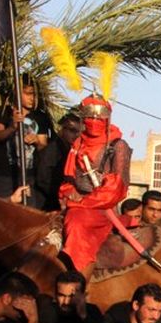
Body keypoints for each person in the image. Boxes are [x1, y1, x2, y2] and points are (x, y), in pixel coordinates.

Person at [57, 96, 131, 274]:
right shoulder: (78, 144)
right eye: (90, 118)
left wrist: (83, 203)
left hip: (102, 207)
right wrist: (68, 195)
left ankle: (77, 277)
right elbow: (69, 179)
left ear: (107, 119)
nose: (94, 122)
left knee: (76, 224)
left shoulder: (118, 146)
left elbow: (117, 187)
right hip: (75, 202)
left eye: (98, 118)